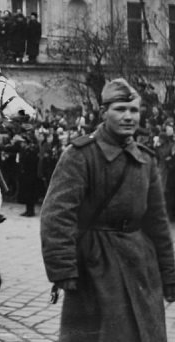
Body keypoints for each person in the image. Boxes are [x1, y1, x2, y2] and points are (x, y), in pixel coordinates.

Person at [40, 78, 175, 342]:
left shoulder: (145, 159)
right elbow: (57, 215)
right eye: (120, 109)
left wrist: (169, 275)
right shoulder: (80, 155)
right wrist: (63, 269)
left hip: (141, 266)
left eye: (134, 110)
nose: (128, 117)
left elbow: (158, 223)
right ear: (103, 112)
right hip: (94, 265)